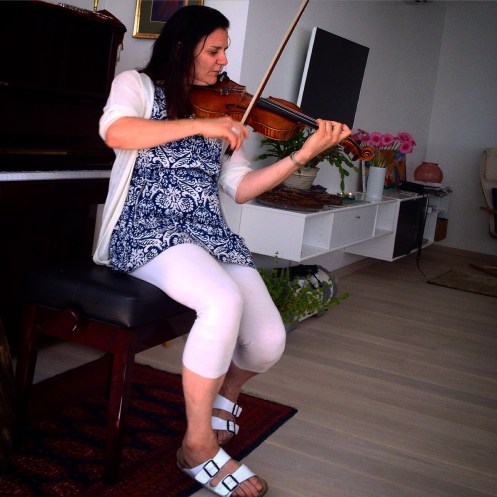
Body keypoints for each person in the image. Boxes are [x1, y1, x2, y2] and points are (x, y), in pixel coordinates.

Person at [93, 5, 351, 497]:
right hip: (146, 229)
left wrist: (303, 154)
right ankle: (197, 445)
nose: (224, 60)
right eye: (214, 49)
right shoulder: (138, 86)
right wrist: (198, 126)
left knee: (268, 340)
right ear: (180, 48)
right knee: (221, 300)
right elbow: (116, 132)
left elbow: (241, 187)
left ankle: (226, 392)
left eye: (224, 50)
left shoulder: (224, 110)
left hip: (207, 233)